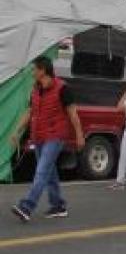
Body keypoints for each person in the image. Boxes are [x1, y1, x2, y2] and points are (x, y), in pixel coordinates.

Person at [10, 56, 84, 222]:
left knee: (41, 171)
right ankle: (58, 205)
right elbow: (29, 113)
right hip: (39, 137)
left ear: (43, 70)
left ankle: (26, 206)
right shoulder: (35, 89)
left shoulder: (63, 88)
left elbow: (73, 113)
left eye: (34, 69)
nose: (32, 73)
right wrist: (17, 132)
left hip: (56, 136)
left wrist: (79, 135)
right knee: (49, 172)